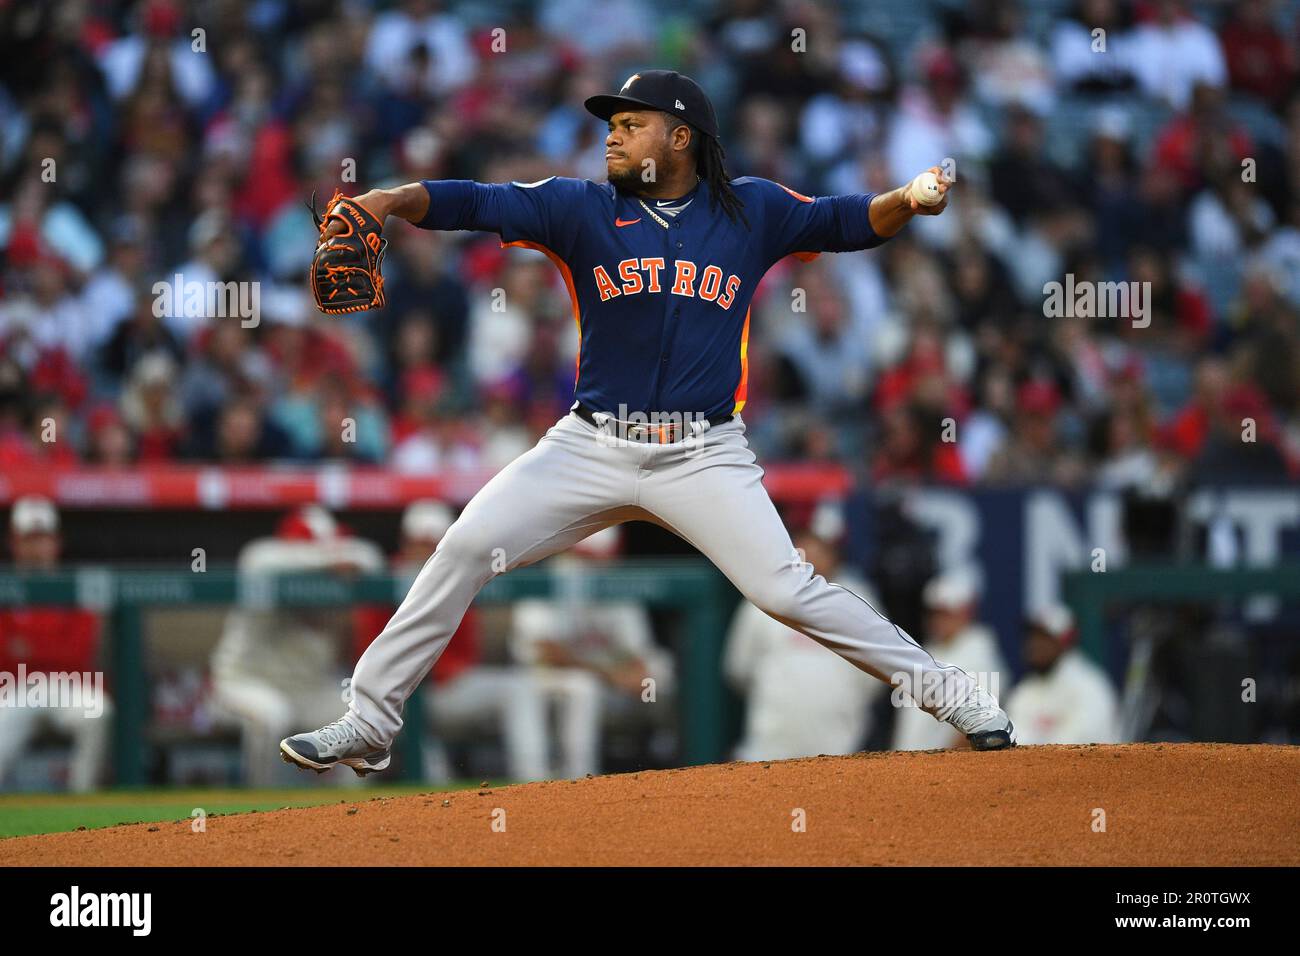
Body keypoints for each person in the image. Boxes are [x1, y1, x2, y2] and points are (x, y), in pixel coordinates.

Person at [281, 69, 1015, 777]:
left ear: (682, 138)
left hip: (703, 453)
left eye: (632, 126)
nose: (614, 137)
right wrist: (384, 199)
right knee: (466, 545)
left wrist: (910, 200)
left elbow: (847, 221)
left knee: (789, 592)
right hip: (592, 442)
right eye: (613, 125)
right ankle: (370, 723)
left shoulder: (749, 211)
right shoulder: (581, 208)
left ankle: (954, 695)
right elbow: (470, 200)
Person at [353, 500, 552, 781]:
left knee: (518, 687)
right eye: (418, 543)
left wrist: (436, 673)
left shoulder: (458, 579)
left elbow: (466, 654)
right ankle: (338, 810)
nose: (423, 551)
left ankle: (536, 783)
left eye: (431, 543)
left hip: (443, 691)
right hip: (396, 698)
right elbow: (366, 654)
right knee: (429, 772)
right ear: (405, 542)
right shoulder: (384, 579)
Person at [212, 505, 384, 786]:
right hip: (243, 684)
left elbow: (370, 556)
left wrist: (331, 558)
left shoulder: (335, 572)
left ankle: (349, 816)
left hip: (307, 690)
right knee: (271, 715)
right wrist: (327, 558)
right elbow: (258, 558)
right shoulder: (264, 563)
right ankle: (257, 811)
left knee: (361, 718)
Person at [510, 525, 672, 778]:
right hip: (545, 677)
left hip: (608, 681)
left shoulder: (615, 590)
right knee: (581, 687)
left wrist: (632, 674)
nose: (590, 565)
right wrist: (608, 674)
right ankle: (561, 778)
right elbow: (547, 653)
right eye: (584, 556)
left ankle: (667, 750)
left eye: (598, 558)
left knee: (662, 670)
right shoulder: (550, 581)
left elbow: (639, 656)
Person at [724, 526, 883, 761]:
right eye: (805, 549)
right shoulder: (763, 597)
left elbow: (876, 674)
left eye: (821, 550)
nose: (812, 557)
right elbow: (739, 667)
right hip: (771, 741)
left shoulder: (859, 598)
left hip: (840, 743)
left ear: (835, 555)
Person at [0, 497, 111, 792]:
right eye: (29, 539)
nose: (37, 548)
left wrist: (29, 650)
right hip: (15, 687)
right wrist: (41, 653)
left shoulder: (76, 585)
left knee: (98, 712)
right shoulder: (5, 587)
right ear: (15, 543)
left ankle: (80, 803)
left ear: (56, 542)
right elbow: (5, 659)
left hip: (68, 684)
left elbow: (76, 655)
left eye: (43, 538)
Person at [892, 570, 1008, 751]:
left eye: (945, 613)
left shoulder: (979, 649)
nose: (938, 620)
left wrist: (944, 766)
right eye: (933, 613)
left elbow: (983, 719)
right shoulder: (928, 649)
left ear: (966, 612)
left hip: (946, 769)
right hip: (911, 764)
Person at [1005, 605, 1121, 746]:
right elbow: (1010, 738)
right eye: (1031, 637)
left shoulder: (1089, 685)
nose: (1034, 645)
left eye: (1044, 637)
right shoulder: (1025, 689)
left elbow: (1084, 743)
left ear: (1065, 640)